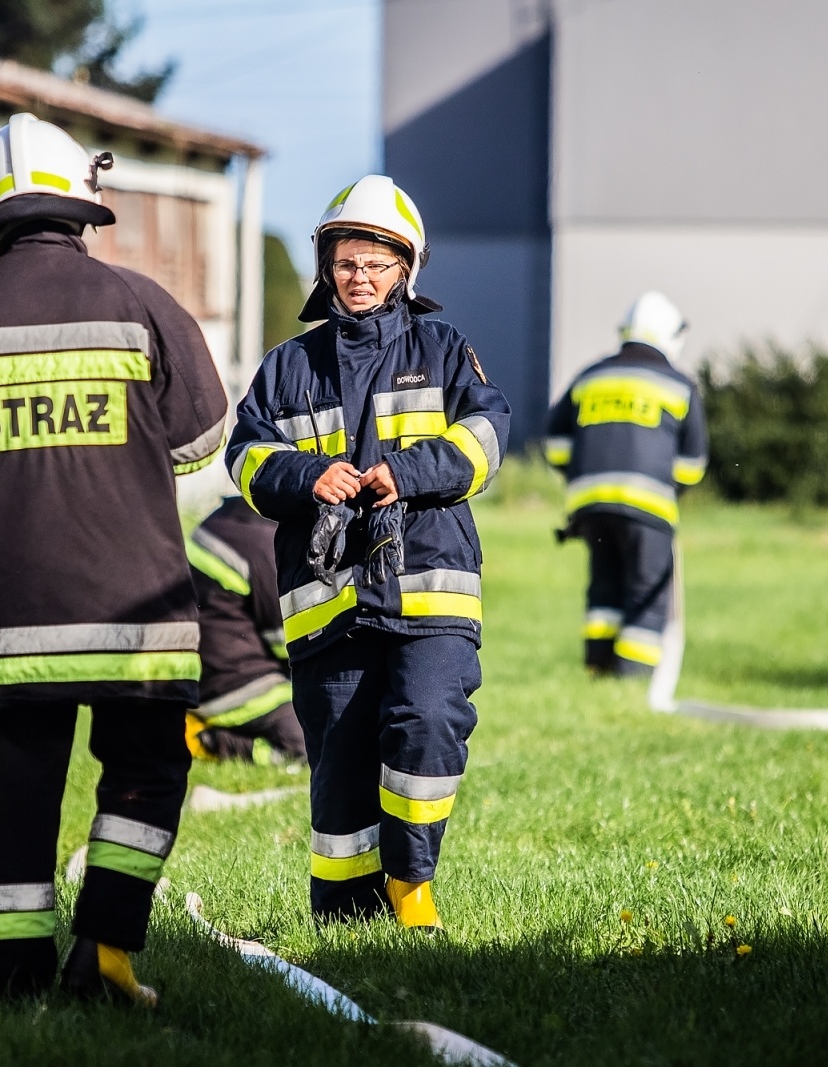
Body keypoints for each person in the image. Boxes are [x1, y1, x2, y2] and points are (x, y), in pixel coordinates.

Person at [0, 113, 228, 1005]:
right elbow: (202, 441)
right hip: (137, 617)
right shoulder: (146, 304)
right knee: (147, 770)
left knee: (9, 800)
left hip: (0, 623)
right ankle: (106, 951)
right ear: (84, 201)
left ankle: (12, 985)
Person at [225, 175, 511, 930]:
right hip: (328, 598)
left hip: (430, 589)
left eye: (376, 264)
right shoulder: (288, 365)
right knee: (339, 759)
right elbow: (245, 458)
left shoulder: (444, 350)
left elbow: (487, 437)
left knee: (428, 717)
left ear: (405, 271)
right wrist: (306, 474)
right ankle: (346, 921)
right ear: (328, 267)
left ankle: (411, 885)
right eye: (348, 262)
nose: (360, 277)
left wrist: (409, 472)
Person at [544, 292, 708, 676]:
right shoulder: (679, 384)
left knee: (604, 585)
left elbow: (554, 442)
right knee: (646, 590)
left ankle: (599, 669)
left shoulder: (591, 375)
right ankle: (633, 680)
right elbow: (692, 465)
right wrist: (670, 491)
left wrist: (582, 476)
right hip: (648, 508)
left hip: (590, 506)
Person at [186, 495, 306, 764]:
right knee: (315, 742)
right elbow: (289, 641)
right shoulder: (266, 544)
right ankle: (214, 743)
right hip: (239, 688)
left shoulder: (224, 519)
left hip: (201, 678)